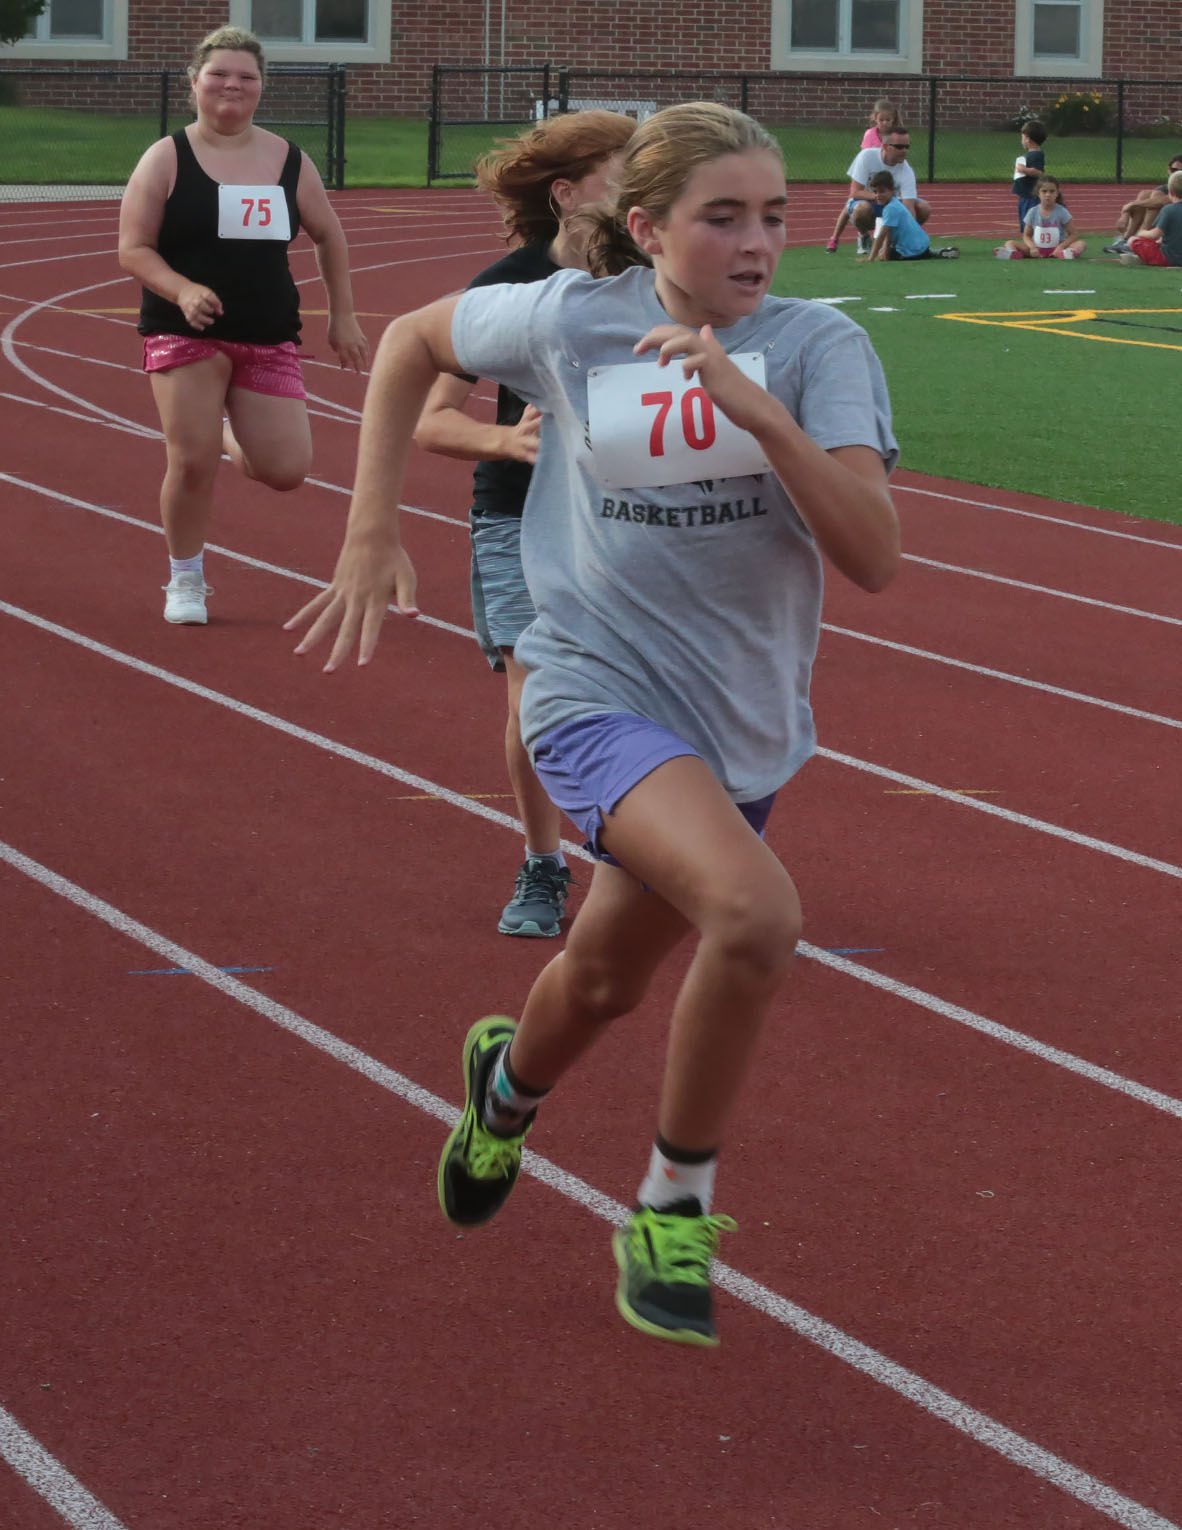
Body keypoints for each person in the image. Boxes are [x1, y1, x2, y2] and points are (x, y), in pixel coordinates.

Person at [285, 101, 900, 1348]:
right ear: (647, 228)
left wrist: (759, 410)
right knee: (757, 910)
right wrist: (371, 524)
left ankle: (502, 1095)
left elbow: (874, 556)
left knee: (609, 979)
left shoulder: (820, 346)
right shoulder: (574, 320)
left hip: (741, 722)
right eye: (721, 217)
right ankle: (674, 1205)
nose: (755, 242)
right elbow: (407, 342)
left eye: (773, 215)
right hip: (591, 684)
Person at [413, 110, 636, 940]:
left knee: (637, 689)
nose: (640, 185)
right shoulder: (506, 285)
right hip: (519, 514)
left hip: (629, 514)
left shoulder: (659, 276)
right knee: (534, 693)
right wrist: (506, 437)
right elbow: (432, 420)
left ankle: (635, 849)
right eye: (624, 170)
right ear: (568, 192)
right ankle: (544, 864)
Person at [118, 25, 369, 626]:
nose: (232, 85)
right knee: (192, 461)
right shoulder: (166, 157)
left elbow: (329, 234)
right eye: (219, 75)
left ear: (261, 87)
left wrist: (343, 315)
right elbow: (133, 248)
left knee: (286, 471)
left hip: (267, 330)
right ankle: (186, 578)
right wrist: (183, 289)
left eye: (246, 77)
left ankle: (224, 436)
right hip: (185, 331)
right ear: (195, 84)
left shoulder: (288, 159)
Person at [825, 97, 904, 252]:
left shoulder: (895, 135)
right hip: (869, 174)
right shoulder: (870, 134)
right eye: (882, 119)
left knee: (889, 204)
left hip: (885, 177)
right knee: (851, 203)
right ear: (875, 118)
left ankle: (885, 239)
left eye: (888, 119)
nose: (885, 123)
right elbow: (865, 155)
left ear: (893, 119)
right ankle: (835, 237)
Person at [845, 129, 931, 255]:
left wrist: (912, 233)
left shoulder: (906, 170)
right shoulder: (866, 157)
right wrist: (879, 196)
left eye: (907, 147)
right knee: (861, 209)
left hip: (892, 205)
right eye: (899, 147)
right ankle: (864, 236)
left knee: (924, 208)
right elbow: (855, 192)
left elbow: (909, 207)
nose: (904, 151)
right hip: (869, 202)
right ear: (885, 147)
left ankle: (897, 241)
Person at [861, 171, 958, 260]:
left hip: (911, 250)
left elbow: (882, 235)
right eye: (875, 192)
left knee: (883, 254)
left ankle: (924, 254)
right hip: (922, 245)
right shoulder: (895, 203)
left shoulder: (891, 208)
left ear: (892, 190)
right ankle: (933, 252)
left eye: (882, 191)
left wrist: (872, 257)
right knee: (884, 250)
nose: (878, 195)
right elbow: (889, 233)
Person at [1104, 154, 1182, 255]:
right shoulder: (1165, 187)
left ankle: (1137, 239)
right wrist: (1126, 212)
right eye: (1174, 170)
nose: (1176, 174)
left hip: (1168, 234)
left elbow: (1163, 201)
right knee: (1144, 194)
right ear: (1168, 170)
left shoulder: (1178, 190)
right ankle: (1127, 239)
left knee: (1154, 200)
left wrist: (1129, 206)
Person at [995, 176, 1086, 260]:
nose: (1048, 195)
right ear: (1038, 193)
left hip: (1057, 247)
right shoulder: (1032, 212)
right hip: (1037, 249)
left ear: (1057, 193)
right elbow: (1026, 235)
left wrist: (1060, 247)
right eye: (1044, 191)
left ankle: (1066, 253)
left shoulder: (1062, 212)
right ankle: (1014, 254)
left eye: (1052, 191)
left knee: (1081, 244)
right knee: (1010, 243)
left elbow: (1074, 234)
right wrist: (1032, 247)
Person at [1118, 169, 1182, 265]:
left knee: (1133, 240)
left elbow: (1154, 234)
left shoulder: (1168, 210)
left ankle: (1141, 257)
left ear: (1170, 192)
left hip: (1168, 258)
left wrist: (1142, 233)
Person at [1010, 120, 1048, 233]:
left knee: (1030, 222)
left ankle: (1032, 242)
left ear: (1027, 139)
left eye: (1022, 137)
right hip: (1025, 195)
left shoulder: (1036, 155)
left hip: (1031, 196)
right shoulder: (1030, 154)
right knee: (1024, 220)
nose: (1021, 140)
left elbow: (1039, 172)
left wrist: (1024, 170)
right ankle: (1028, 241)